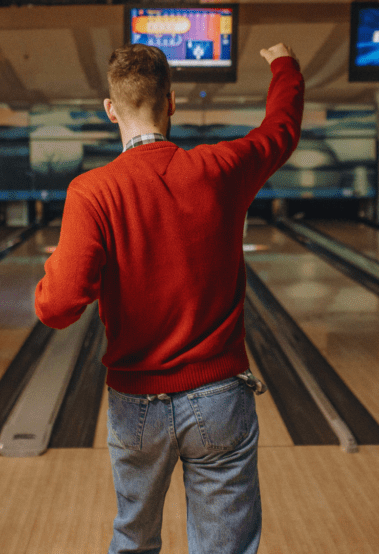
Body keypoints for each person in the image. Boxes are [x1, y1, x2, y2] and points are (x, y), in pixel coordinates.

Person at [35, 42, 304, 554]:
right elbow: (280, 132)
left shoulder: (92, 192)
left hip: (136, 404)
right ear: (172, 102)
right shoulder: (219, 169)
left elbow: (58, 305)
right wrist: (284, 68)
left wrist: (53, 273)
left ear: (110, 109)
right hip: (220, 397)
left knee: (134, 541)